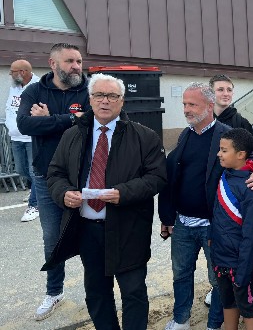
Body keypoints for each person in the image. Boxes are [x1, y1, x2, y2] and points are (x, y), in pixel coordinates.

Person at [45, 73, 167, 329]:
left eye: (112, 96)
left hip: (128, 227)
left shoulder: (145, 136)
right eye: (100, 95)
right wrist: (64, 193)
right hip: (87, 229)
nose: (105, 101)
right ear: (90, 99)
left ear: (122, 102)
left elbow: (156, 177)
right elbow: (55, 174)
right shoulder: (72, 135)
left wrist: (124, 192)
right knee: (97, 293)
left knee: (133, 292)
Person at [158, 83, 253, 330]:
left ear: (209, 106)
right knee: (181, 274)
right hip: (183, 223)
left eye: (192, 104)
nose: (186, 109)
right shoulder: (186, 135)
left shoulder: (227, 135)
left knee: (218, 280)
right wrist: (168, 216)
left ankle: (215, 323)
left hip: (213, 226)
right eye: (184, 104)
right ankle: (181, 318)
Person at [17, 43, 91, 320]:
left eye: (79, 61)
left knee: (88, 234)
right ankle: (54, 291)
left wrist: (51, 120)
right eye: (70, 61)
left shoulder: (88, 90)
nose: (76, 66)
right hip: (46, 177)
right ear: (53, 63)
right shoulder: (34, 91)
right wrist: (72, 119)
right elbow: (25, 125)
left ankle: (94, 289)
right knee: (52, 238)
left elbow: (91, 122)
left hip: (83, 176)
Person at [210, 128, 253, 330]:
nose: (219, 154)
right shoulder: (225, 176)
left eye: (224, 150)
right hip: (222, 258)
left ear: (241, 155)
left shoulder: (251, 188)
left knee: (249, 309)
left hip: (243, 264)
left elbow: (251, 236)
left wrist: (243, 271)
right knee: (228, 302)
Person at [6, 59, 40, 222]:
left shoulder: (38, 86)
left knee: (34, 171)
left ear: (23, 72)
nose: (10, 74)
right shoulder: (15, 86)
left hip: (31, 137)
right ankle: (37, 189)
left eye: (12, 71)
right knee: (21, 169)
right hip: (15, 136)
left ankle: (35, 205)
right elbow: (10, 108)